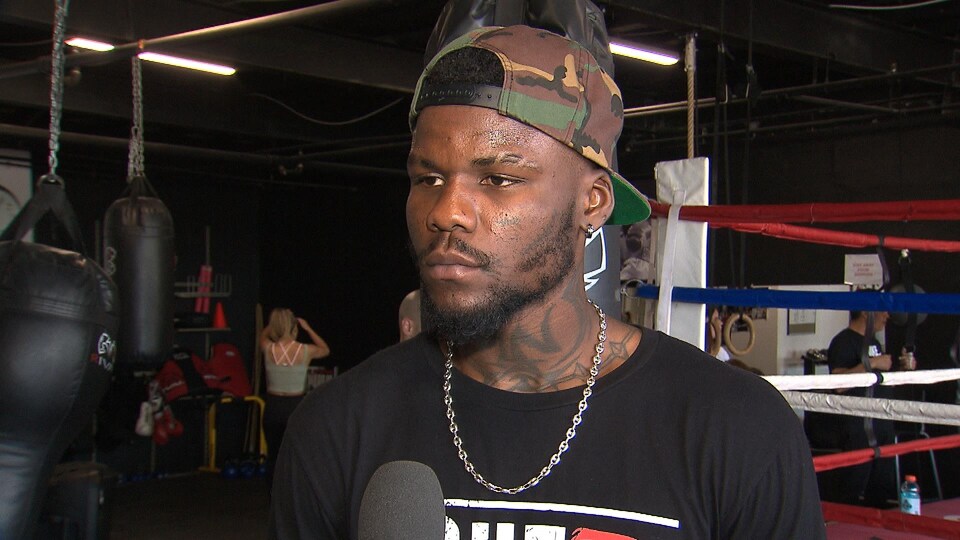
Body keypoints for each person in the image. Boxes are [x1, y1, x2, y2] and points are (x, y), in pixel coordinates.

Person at [269, 25, 824, 539]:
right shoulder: (339, 428)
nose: (447, 211)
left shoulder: (736, 429)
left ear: (594, 202)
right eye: (427, 177)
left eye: (499, 178)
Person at [824, 309, 914, 507]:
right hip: (858, 428)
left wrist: (902, 369)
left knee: (880, 489)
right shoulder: (843, 342)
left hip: (880, 424)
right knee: (852, 490)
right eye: (881, 310)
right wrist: (872, 363)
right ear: (866, 312)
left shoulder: (873, 342)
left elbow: (876, 379)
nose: (887, 315)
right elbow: (838, 384)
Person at [259, 308, 330, 480]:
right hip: (295, 406)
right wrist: (307, 328)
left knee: (273, 456)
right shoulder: (305, 350)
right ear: (294, 327)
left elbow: (262, 335)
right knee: (297, 455)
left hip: (273, 407)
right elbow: (325, 349)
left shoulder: (268, 348)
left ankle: (273, 496)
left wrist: (273, 325)